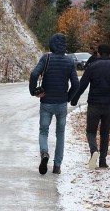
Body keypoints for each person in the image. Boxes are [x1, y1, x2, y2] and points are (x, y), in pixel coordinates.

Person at [29, 33, 80, 175]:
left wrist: (33, 91)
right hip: (61, 104)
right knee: (60, 134)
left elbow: (34, 75)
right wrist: (68, 97)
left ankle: (44, 153)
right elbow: (76, 84)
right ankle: (57, 166)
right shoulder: (70, 61)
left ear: (51, 44)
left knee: (44, 131)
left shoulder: (46, 58)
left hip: (46, 102)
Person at [70, 44, 110, 169]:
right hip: (109, 105)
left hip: (94, 104)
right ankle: (102, 160)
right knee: (105, 133)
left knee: (91, 131)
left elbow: (82, 85)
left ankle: (94, 151)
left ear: (98, 54)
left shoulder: (92, 67)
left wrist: (74, 99)